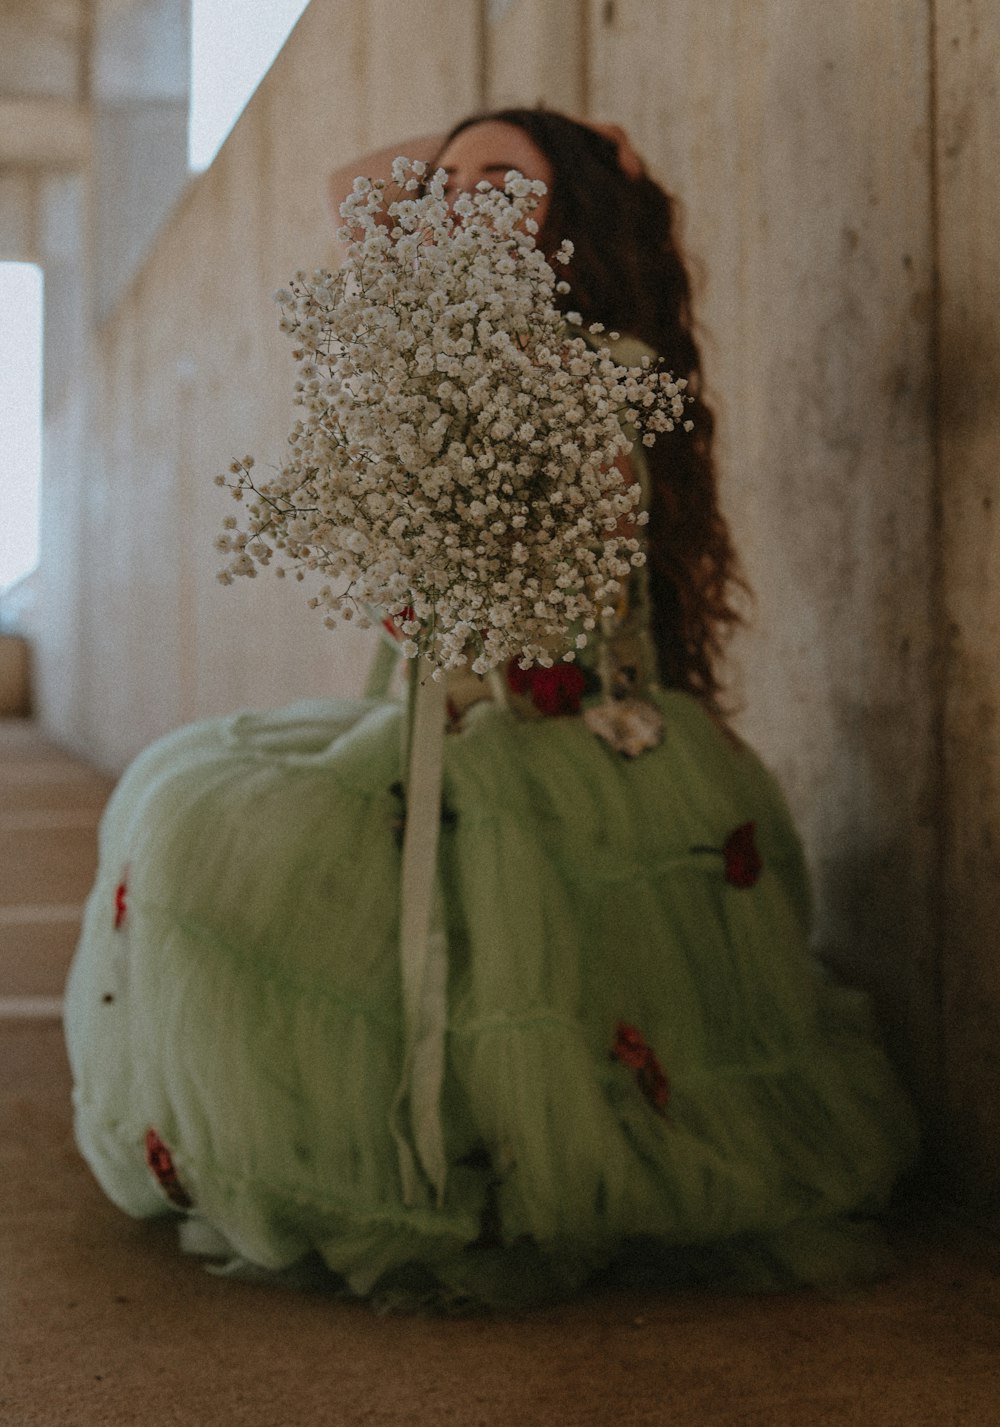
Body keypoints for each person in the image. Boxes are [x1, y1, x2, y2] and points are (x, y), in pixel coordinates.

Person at [64, 108, 919, 1311]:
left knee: (463, 936)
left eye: (500, 182)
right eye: (447, 180)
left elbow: (578, 583)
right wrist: (490, 146)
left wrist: (576, 159)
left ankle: (511, 1174)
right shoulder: (445, 335)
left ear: (571, 210)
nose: (456, 195)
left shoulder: (603, 370)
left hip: (551, 731)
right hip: (425, 714)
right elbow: (352, 182)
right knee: (192, 811)